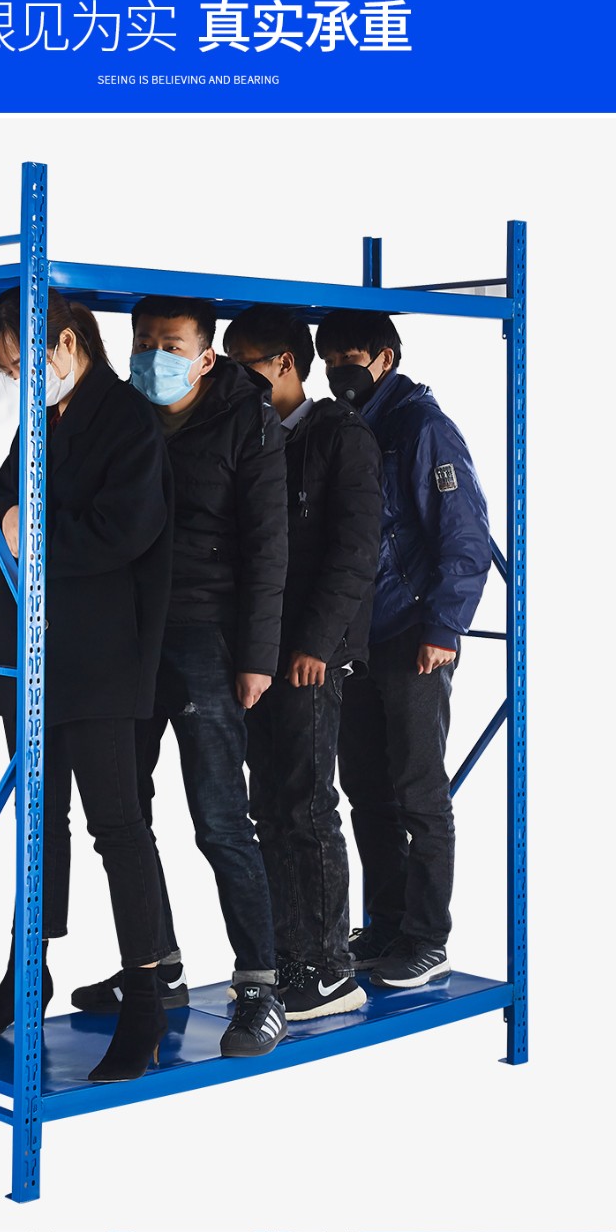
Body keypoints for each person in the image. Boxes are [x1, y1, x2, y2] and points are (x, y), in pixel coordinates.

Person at [0, 288, 174, 1084]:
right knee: (38, 823)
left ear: (69, 341)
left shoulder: (129, 419)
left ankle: (144, 1001)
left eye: (22, 362)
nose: (18, 379)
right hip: (29, 653)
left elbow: (125, 530)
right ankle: (26, 975)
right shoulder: (41, 420)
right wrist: (10, 523)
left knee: (118, 827)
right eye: (8, 370)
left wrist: (28, 528)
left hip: (101, 658)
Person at [71, 295, 290, 1057]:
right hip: (124, 633)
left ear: (205, 357)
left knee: (220, 819)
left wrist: (256, 656)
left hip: (205, 634)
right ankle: (156, 965)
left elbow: (268, 546)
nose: (151, 357)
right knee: (123, 814)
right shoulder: (117, 413)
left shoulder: (246, 422)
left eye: (169, 345)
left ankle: (260, 986)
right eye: (141, 342)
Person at [315, 309, 492, 987]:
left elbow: (464, 536)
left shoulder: (420, 427)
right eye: (329, 357)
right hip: (357, 638)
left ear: (385, 358)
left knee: (418, 791)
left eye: (350, 356)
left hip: (413, 636)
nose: (338, 369)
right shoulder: (346, 424)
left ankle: (426, 937)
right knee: (366, 788)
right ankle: (387, 923)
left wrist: (442, 628)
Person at [222, 305, 382, 1020]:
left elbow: (355, 549)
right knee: (268, 807)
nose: (231, 379)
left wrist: (317, 644)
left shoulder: (339, 435)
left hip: (308, 657)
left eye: (242, 365)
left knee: (306, 808)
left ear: (284, 363)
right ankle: (288, 955)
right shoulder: (252, 433)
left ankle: (329, 970)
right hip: (259, 652)